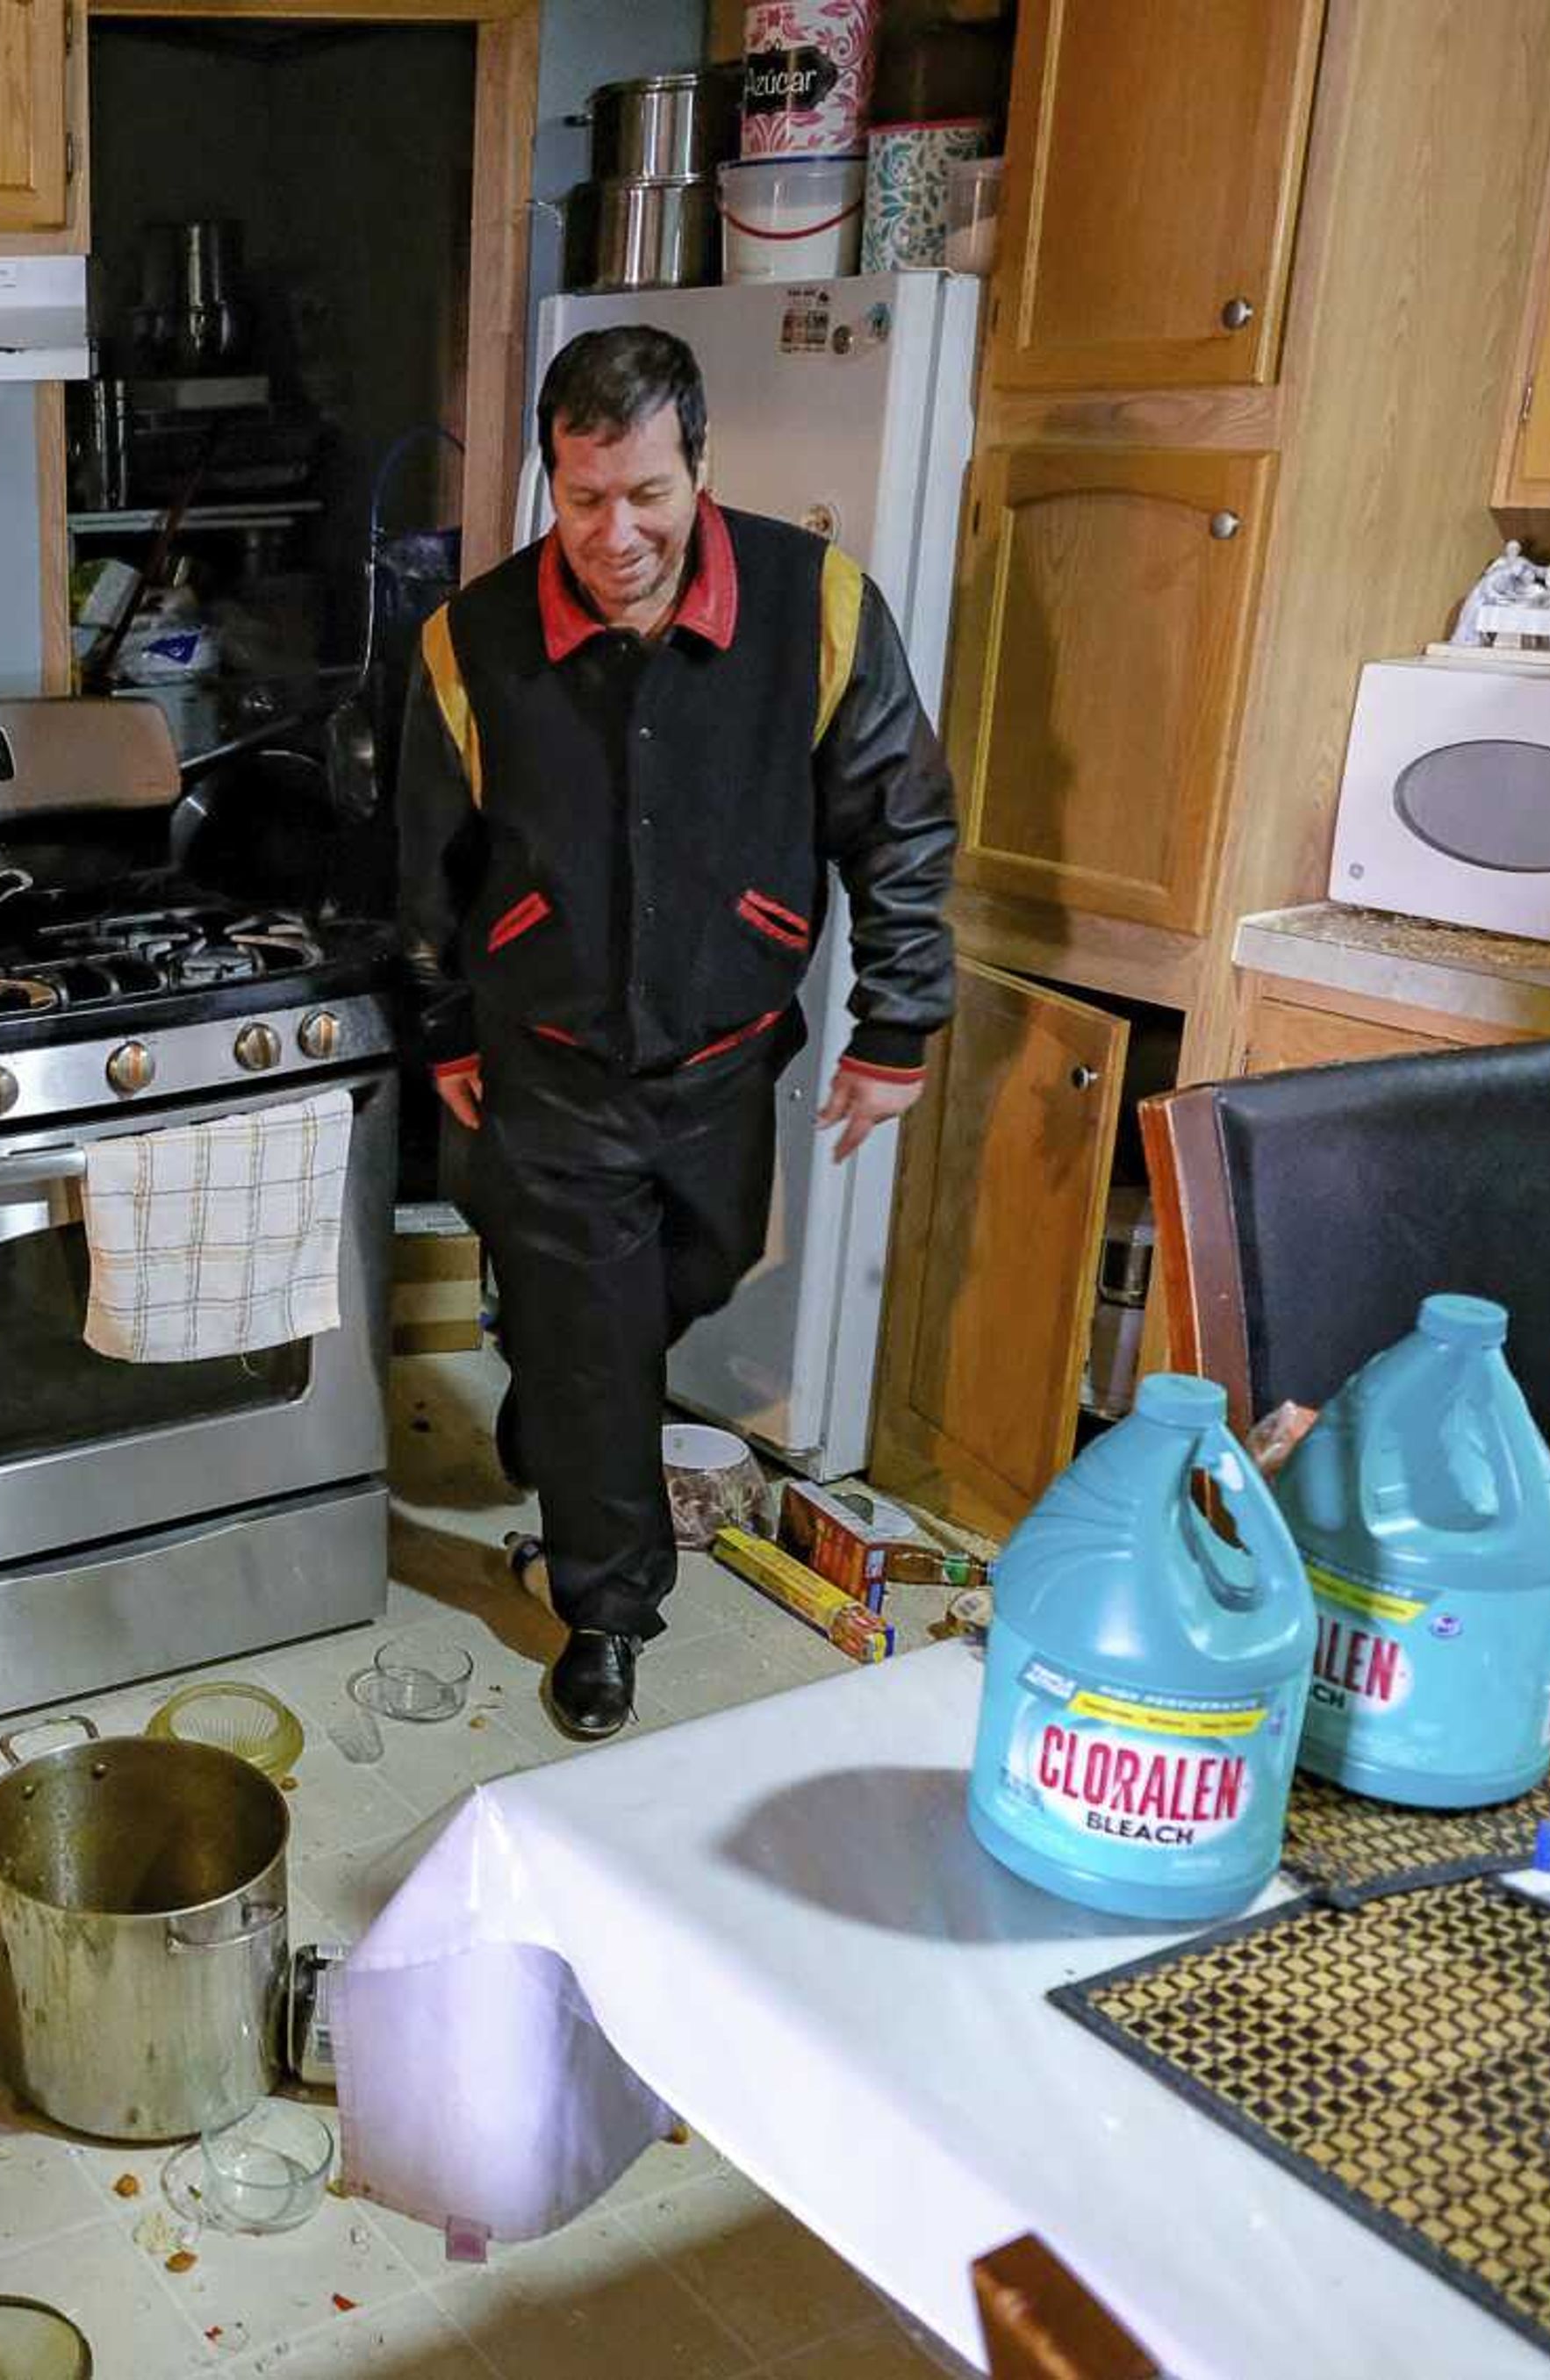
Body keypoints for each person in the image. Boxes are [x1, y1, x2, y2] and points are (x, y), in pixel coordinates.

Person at [398, 325, 955, 1740]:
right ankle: (608, 1605)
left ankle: (563, 1392)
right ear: (550, 483)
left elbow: (897, 819)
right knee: (596, 1342)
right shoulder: (471, 637)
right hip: (555, 1056)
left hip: (729, 1048)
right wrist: (449, 1023)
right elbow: (429, 857)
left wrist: (897, 1024)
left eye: (646, 493)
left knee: (696, 1274)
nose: (616, 533)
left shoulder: (813, 602)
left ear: (699, 467)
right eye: (584, 498)